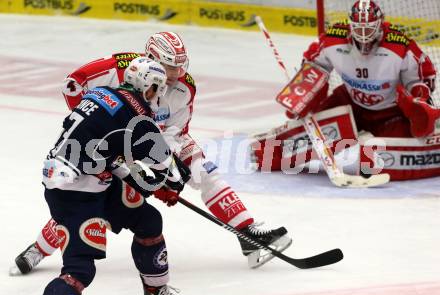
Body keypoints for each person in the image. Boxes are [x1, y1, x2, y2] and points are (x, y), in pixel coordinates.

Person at [11, 31, 292, 275]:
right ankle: (39, 247)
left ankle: (248, 232)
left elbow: (175, 131)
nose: (176, 75)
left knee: (202, 170)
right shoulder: (118, 69)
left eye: (180, 67)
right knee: (90, 199)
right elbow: (72, 84)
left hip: (151, 137)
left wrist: (166, 166)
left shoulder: (184, 87)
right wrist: (92, 128)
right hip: (107, 141)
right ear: (152, 59)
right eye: (170, 67)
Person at [38, 58, 195, 295]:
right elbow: (169, 169)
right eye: (157, 89)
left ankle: (156, 294)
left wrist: (143, 182)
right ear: (149, 87)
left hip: (80, 179)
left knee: (148, 221)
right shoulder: (135, 114)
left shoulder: (102, 93)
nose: (157, 96)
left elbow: (104, 148)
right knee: (78, 272)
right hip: (76, 193)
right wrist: (171, 182)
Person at [252, 0, 440, 181]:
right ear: (350, 25)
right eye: (359, 29)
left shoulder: (399, 45)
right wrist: (302, 96)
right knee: (313, 131)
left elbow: (420, 79)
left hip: (391, 112)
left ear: (380, 25)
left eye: (369, 29)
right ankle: (269, 151)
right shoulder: (333, 39)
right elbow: (314, 67)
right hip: (350, 102)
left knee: (389, 155)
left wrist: (418, 103)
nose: (364, 35)